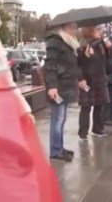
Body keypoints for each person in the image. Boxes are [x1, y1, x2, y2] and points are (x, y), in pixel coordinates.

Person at [43, 22, 81, 161]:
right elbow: (50, 65)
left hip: (67, 86)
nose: (76, 30)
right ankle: (55, 150)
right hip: (58, 86)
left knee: (62, 119)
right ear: (65, 27)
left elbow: (72, 65)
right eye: (74, 27)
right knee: (58, 119)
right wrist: (52, 86)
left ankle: (59, 147)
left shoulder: (70, 44)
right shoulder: (56, 42)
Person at [77, 26, 110, 140]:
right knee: (86, 107)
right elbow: (78, 65)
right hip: (88, 80)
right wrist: (86, 57)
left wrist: (108, 48)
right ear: (90, 32)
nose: (100, 32)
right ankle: (83, 133)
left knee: (99, 106)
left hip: (100, 79)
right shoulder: (83, 46)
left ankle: (97, 129)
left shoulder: (101, 45)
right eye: (97, 30)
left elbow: (106, 61)